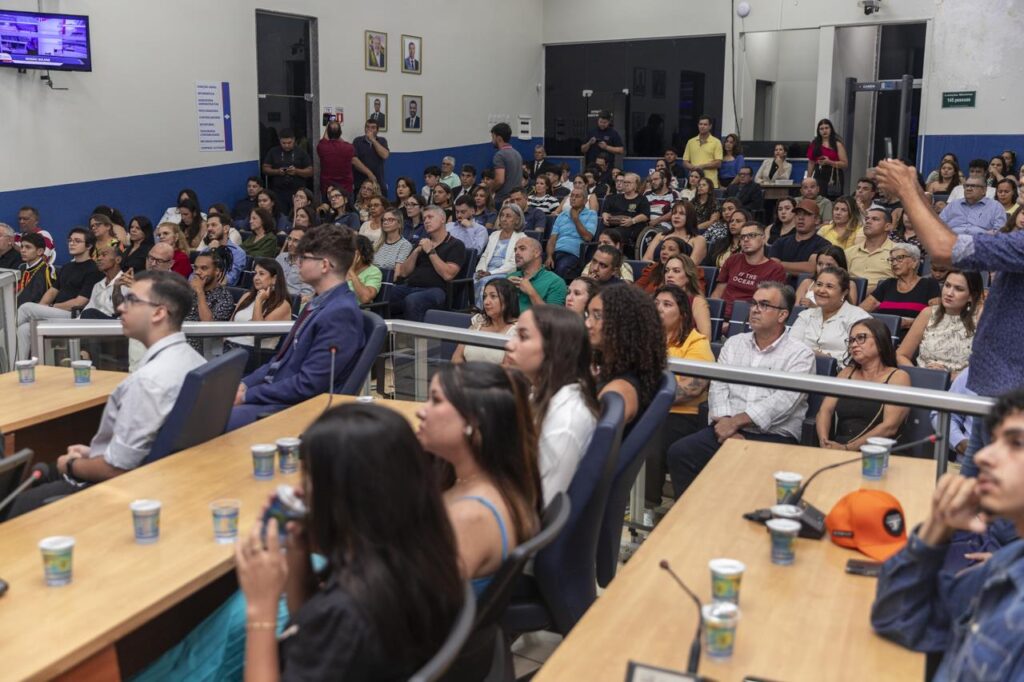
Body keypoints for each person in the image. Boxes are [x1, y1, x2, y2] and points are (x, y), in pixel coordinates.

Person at [233, 403, 463, 680]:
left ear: (342, 497)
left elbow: (325, 628)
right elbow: (310, 626)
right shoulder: (418, 559)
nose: (302, 490)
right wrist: (298, 552)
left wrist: (261, 609)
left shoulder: (345, 617)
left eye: (310, 478)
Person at [5, 271, 206, 519]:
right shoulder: (194, 360)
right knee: (43, 470)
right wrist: (94, 454)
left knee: (15, 504)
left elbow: (116, 469)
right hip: (161, 477)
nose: (120, 307)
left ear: (158, 313)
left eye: (132, 300)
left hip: (118, 490)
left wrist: (70, 464)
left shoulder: (148, 381)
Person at [875, 158, 1024, 473]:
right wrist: (919, 196)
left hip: (1012, 405)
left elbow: (945, 250)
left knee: (993, 497)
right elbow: (949, 244)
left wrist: (907, 191)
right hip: (992, 396)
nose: (1022, 187)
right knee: (970, 494)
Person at [869, 389, 1024, 680]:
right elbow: (896, 620)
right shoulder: (1006, 564)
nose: (984, 456)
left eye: (1016, 443)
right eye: (993, 441)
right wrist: (935, 529)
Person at [667, 282, 814, 497]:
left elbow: (784, 401)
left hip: (773, 435)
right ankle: (696, 513)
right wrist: (727, 426)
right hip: (725, 427)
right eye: (753, 303)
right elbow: (718, 386)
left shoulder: (801, 354)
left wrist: (735, 423)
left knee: (750, 473)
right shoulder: (734, 344)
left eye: (764, 305)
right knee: (681, 453)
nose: (755, 309)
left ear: (782, 315)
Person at [417, 362, 542, 596]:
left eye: (436, 400)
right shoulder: (489, 480)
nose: (421, 411)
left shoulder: (471, 516)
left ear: (473, 423)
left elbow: (421, 603)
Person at [230, 227, 366, 429]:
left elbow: (309, 384)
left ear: (325, 265)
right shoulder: (318, 304)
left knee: (213, 419)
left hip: (294, 408)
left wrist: (247, 395)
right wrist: (244, 384)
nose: (298, 262)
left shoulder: (340, 313)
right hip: (277, 394)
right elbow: (279, 362)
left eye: (304, 258)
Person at [505, 305, 599, 503]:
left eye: (523, 337)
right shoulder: (543, 392)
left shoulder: (566, 421)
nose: (510, 345)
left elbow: (541, 503)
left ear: (554, 348)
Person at [646, 284, 714, 507]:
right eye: (656, 303)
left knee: (650, 441)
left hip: (681, 415)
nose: (659, 308)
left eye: (667, 304)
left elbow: (692, 388)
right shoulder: (645, 339)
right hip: (647, 409)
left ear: (683, 314)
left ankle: (647, 507)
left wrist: (645, 393)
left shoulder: (696, 342)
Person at [815, 317, 910, 449]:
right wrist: (824, 442)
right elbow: (825, 410)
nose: (854, 345)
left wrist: (848, 448)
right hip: (839, 447)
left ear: (880, 341)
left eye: (861, 338)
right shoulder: (846, 374)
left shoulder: (898, 377)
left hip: (879, 451)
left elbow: (889, 427)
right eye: (851, 340)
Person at [586, 284, 667, 426]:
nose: (587, 323)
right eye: (588, 315)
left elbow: (586, 435)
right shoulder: (619, 370)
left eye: (597, 316)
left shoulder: (619, 391)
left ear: (624, 324)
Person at [16, 228, 102, 359]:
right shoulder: (67, 267)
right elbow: (52, 291)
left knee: (26, 307)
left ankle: (5, 332)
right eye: (70, 240)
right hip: (56, 313)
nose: (72, 243)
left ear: (89, 246)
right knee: (24, 329)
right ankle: (18, 367)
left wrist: (51, 307)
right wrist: (41, 308)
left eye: (77, 241)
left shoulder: (93, 269)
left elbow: (80, 301)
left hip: (75, 316)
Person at [896, 269, 983, 378]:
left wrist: (947, 377)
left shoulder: (980, 318)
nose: (949, 293)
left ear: (971, 296)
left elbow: (986, 368)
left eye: (958, 289)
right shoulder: (928, 313)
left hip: (958, 385)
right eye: (947, 285)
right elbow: (901, 355)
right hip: (921, 381)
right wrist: (919, 375)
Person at [390, 206, 467, 322]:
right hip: (411, 286)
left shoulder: (456, 244)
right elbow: (403, 272)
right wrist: (416, 251)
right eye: (424, 218)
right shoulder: (422, 243)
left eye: (430, 217)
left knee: (413, 300)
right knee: (387, 293)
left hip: (436, 290)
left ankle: (416, 334)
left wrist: (431, 251)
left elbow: (448, 275)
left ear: (442, 219)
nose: (426, 221)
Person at [224, 257, 292, 372]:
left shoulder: (282, 304)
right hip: (230, 348)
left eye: (261, 274)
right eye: (255, 273)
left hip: (255, 354)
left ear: (274, 279)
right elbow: (230, 325)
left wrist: (259, 301)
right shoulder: (247, 296)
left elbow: (257, 331)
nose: (256, 277)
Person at [789, 266, 871, 361]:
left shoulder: (858, 318)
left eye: (829, 286)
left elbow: (861, 356)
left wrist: (825, 359)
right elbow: (791, 348)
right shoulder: (806, 315)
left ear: (844, 292)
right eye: (819, 284)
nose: (821, 290)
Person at [711, 221, 786, 321]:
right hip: (721, 315)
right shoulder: (732, 260)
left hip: (749, 319)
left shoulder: (775, 269)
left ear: (763, 238)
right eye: (742, 237)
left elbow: (770, 305)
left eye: (752, 235)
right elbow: (717, 293)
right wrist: (714, 318)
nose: (746, 239)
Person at [860, 243, 941, 331]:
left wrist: (910, 323)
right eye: (892, 260)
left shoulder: (929, 284)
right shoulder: (888, 284)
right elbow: (860, 311)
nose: (894, 263)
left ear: (914, 262)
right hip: (883, 334)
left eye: (900, 258)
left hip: (913, 333)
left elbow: (936, 317)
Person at [452, 279, 518, 364]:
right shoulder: (478, 322)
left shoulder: (517, 330)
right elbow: (457, 357)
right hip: (465, 372)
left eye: (493, 296)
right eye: (485, 296)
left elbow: (508, 368)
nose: (486, 302)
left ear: (508, 300)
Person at [476, 203, 528, 306]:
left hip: (505, 273)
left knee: (485, 282)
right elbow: (485, 256)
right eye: (502, 215)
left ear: (517, 220)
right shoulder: (494, 235)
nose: (504, 219)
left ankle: (482, 311)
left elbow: (513, 264)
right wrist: (481, 270)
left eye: (508, 216)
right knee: (473, 278)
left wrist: (490, 273)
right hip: (487, 271)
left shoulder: (522, 238)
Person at [183, 251, 235, 353]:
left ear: (217, 271)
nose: (197, 272)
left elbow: (209, 326)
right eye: (196, 268)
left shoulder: (224, 297)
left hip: (201, 350)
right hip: (178, 342)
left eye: (204, 268)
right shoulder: (187, 291)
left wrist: (200, 292)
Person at [545, 188, 596, 278]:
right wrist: (549, 256)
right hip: (556, 251)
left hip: (573, 254)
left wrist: (576, 219)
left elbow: (588, 237)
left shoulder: (591, 214)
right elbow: (552, 239)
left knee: (561, 267)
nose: (573, 198)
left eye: (577, 196)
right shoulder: (562, 215)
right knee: (535, 261)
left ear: (585, 201)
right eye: (572, 196)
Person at [770, 199, 830, 275]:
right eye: (797, 214)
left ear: (817, 220)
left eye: (807, 214)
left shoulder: (824, 245)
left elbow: (811, 268)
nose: (801, 218)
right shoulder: (780, 242)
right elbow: (772, 266)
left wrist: (779, 264)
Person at [845, 206, 896, 291]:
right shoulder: (849, 252)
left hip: (883, 296)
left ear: (887, 226)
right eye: (867, 219)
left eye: (875, 219)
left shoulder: (897, 252)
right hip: (852, 295)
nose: (868, 221)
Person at [508, 237, 567, 311]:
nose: (516, 253)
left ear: (537, 253)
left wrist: (531, 292)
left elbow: (553, 316)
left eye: (522, 249)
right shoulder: (511, 277)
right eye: (515, 250)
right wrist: (504, 289)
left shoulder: (556, 282)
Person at [317, 121, 373, 197]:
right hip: (346, 188)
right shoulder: (349, 147)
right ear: (340, 133)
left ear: (328, 132)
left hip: (328, 189)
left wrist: (328, 127)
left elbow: (325, 139)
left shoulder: (322, 147)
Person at [261, 129, 312, 213]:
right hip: (278, 192)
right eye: (283, 143)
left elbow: (310, 171)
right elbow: (265, 168)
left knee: (298, 213)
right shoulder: (273, 151)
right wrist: (277, 171)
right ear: (279, 141)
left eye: (289, 143)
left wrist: (296, 171)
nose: (286, 145)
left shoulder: (301, 152)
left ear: (294, 140)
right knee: (280, 213)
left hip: (297, 192)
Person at [644, 200, 708, 267]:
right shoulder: (660, 236)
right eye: (674, 213)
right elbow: (646, 260)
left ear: (690, 217)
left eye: (681, 214)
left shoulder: (698, 240)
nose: (676, 216)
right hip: (656, 271)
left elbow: (691, 266)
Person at [663, 254, 713, 338]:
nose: (669, 275)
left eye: (676, 271)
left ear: (688, 276)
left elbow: (706, 338)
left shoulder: (697, 302)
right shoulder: (659, 299)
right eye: (667, 271)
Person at [794, 244, 860, 306]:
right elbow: (795, 309)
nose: (823, 268)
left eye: (829, 265)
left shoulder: (849, 285)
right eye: (820, 264)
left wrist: (815, 307)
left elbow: (849, 311)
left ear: (840, 266)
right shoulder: (807, 283)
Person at [601, 172, 650, 255]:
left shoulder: (642, 199)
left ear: (636, 185)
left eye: (629, 182)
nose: (626, 184)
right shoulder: (614, 198)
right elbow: (605, 211)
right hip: (613, 224)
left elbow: (645, 215)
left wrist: (633, 221)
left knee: (613, 234)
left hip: (631, 226)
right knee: (602, 229)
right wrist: (605, 216)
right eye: (624, 182)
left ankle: (611, 255)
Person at [939, 177, 1008, 236]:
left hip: (980, 242)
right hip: (952, 240)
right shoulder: (953, 205)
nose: (968, 189)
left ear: (984, 190)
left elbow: (1000, 230)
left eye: (973, 186)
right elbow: (938, 224)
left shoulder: (995, 206)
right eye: (966, 186)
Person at [79, 241, 127, 320]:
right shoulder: (97, 285)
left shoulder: (127, 282)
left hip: (117, 323)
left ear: (118, 260)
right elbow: (88, 308)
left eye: (104, 255)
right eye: (98, 255)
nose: (99, 258)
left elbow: (122, 312)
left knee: (89, 313)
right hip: (97, 323)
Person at [195, 213, 245, 286]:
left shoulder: (238, 253)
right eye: (208, 226)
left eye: (214, 225)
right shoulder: (205, 251)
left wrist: (214, 251)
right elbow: (193, 276)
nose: (209, 229)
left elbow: (229, 280)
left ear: (226, 229)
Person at [806, 118, 848, 200]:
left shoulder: (837, 144)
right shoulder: (814, 144)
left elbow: (845, 164)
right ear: (818, 131)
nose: (824, 131)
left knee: (834, 199)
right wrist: (808, 179)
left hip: (834, 175)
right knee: (819, 199)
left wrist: (829, 162)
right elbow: (811, 163)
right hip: (819, 174)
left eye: (826, 128)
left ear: (831, 129)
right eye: (821, 129)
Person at [682, 115, 724, 187]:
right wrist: (693, 168)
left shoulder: (716, 142)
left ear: (710, 126)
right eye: (700, 124)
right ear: (698, 125)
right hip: (694, 182)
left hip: (710, 183)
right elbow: (685, 162)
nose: (702, 126)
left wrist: (702, 166)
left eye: (705, 124)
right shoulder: (691, 142)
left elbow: (718, 163)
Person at [352, 119, 390, 196]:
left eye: (373, 127)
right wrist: (369, 173)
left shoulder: (382, 141)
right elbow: (354, 161)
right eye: (367, 127)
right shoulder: (357, 141)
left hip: (378, 183)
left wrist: (373, 140)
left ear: (377, 130)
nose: (369, 129)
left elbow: (385, 155)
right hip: (360, 183)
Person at [488, 123, 522, 208]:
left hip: (502, 200)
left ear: (498, 138)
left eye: (493, 137)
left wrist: (490, 190)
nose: (492, 141)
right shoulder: (517, 154)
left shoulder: (499, 155)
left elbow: (499, 180)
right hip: (516, 199)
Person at [275, 226, 314, 301]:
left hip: (292, 302)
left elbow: (306, 295)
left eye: (296, 241)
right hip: (274, 298)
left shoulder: (309, 265)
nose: (290, 244)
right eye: (289, 239)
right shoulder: (280, 258)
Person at [15, 232, 53, 306]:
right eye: (22, 247)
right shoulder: (22, 267)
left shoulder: (46, 271)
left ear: (40, 251)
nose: (22, 250)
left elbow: (36, 298)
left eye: (28, 247)